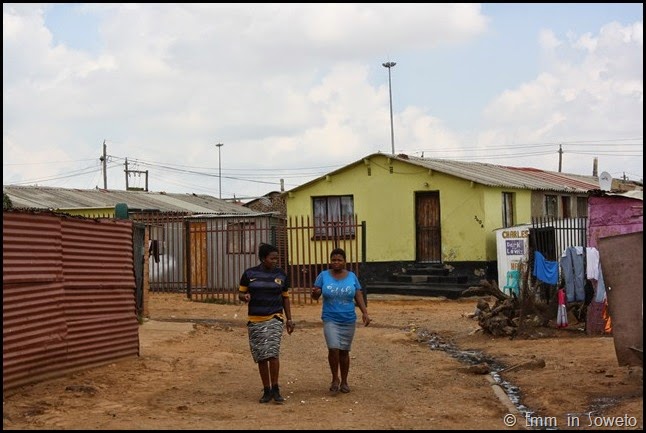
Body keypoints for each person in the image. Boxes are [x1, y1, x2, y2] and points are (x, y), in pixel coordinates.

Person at [239, 243, 295, 404]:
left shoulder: (281, 274)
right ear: (263, 258)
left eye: (277, 258)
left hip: (275, 318)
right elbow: (241, 294)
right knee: (261, 356)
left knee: (272, 353)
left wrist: (289, 319)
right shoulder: (250, 274)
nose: (275, 261)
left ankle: (276, 388)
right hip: (255, 320)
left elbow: (285, 297)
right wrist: (245, 297)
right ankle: (266, 389)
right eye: (272, 258)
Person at [311, 247, 371, 394]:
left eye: (339, 260)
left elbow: (358, 294)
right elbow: (315, 295)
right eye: (333, 260)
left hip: (348, 319)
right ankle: (334, 379)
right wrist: (316, 293)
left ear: (344, 261)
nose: (336, 262)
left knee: (344, 351)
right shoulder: (323, 275)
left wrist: (365, 312)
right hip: (330, 318)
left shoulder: (351, 276)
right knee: (333, 348)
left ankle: (344, 381)